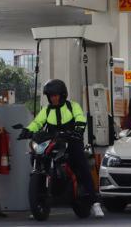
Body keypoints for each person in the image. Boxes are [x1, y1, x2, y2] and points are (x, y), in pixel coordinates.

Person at [19, 79, 104, 218]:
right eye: (51, 96)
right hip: (52, 141)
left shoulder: (73, 106)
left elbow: (80, 118)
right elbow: (37, 122)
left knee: (81, 163)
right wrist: (27, 130)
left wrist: (78, 129)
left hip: (72, 140)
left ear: (63, 95)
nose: (53, 98)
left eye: (55, 95)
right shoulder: (46, 110)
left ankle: (95, 203)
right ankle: (38, 204)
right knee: (37, 156)